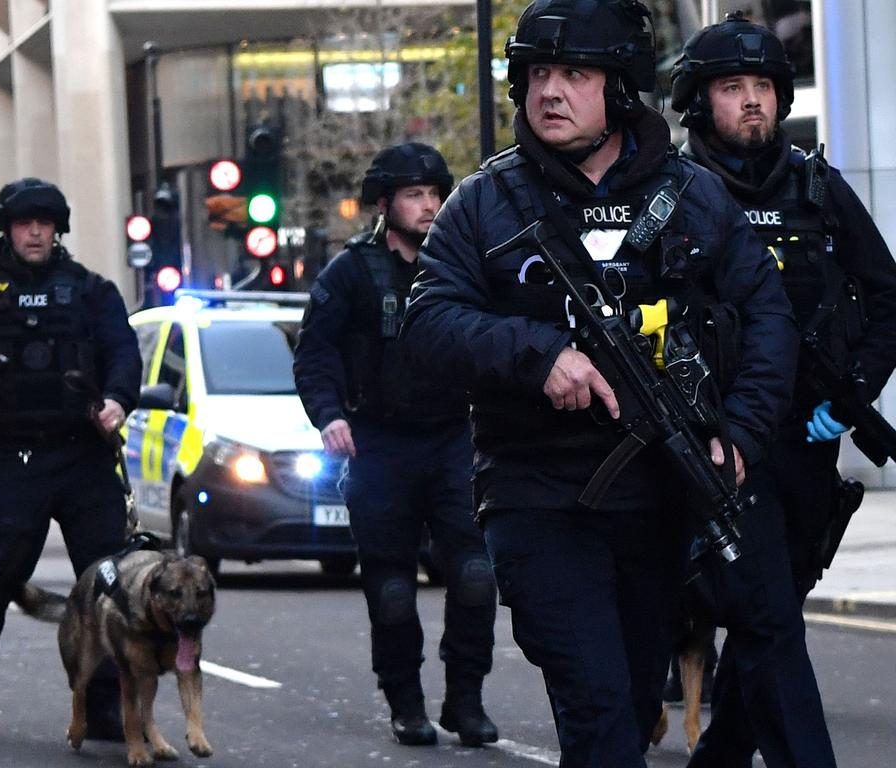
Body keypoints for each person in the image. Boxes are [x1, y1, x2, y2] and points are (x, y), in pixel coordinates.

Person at [400, 0, 830, 764]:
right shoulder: (483, 204)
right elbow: (429, 322)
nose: (549, 92)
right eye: (536, 75)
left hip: (661, 499)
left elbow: (768, 321)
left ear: (620, 88)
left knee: (631, 706)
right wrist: (540, 356)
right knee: (596, 704)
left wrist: (740, 434)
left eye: (574, 74)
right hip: (538, 495)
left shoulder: (693, 198)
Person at [671, 13, 896, 766]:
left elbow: (887, 296)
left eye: (762, 85)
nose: (752, 101)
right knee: (768, 619)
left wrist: (854, 392)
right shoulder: (670, 194)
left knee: (772, 622)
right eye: (732, 88)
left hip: (807, 441)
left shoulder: (817, 187)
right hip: (722, 443)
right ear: (702, 101)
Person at [0, 178, 142, 738]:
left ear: (57, 229)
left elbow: (123, 356)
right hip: (9, 460)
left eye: (44, 223)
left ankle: (106, 701)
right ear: (8, 229)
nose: (35, 232)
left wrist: (116, 401)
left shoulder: (92, 292)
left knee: (108, 583)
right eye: (23, 223)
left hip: (84, 457)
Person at [293, 143, 499, 748]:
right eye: (415, 195)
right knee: (390, 587)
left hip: (454, 439)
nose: (430, 206)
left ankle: (466, 698)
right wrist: (329, 417)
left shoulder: (464, 265)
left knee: (474, 573)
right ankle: (406, 703)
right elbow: (315, 353)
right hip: (378, 445)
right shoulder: (352, 272)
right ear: (385, 204)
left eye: (437, 194)